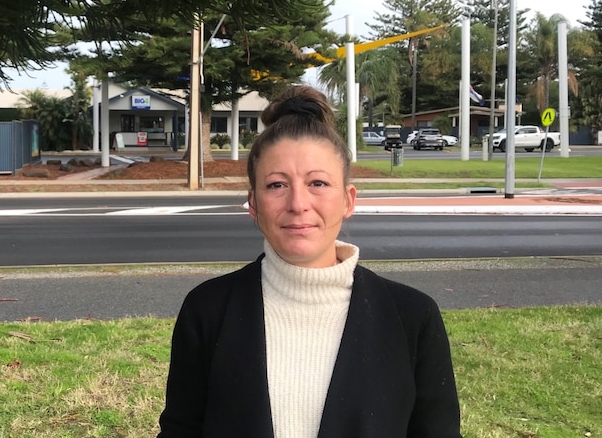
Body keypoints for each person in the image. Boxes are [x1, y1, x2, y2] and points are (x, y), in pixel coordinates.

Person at [157, 85, 462, 437]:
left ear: (348, 200)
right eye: (276, 185)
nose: (298, 203)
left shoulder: (412, 318)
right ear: (253, 202)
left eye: (317, 182)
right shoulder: (208, 310)